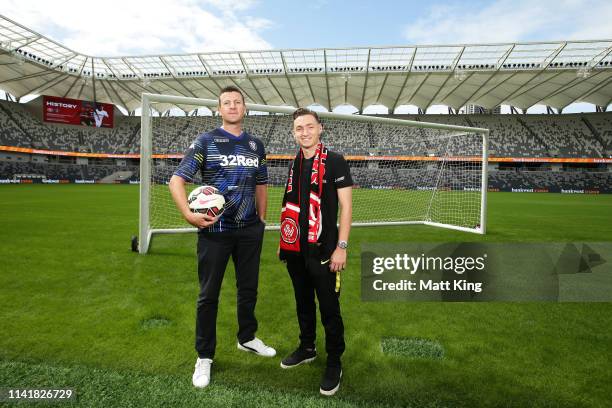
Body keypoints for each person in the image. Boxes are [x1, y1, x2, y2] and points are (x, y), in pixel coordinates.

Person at [169, 86, 275, 389]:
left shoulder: (256, 145)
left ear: (245, 108)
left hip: (249, 231)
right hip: (215, 232)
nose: (232, 106)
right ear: (220, 109)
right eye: (226, 102)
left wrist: (262, 219)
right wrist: (189, 216)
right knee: (208, 296)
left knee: (249, 289)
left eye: (237, 102)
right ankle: (204, 356)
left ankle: (247, 338)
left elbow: (262, 183)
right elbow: (176, 181)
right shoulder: (206, 141)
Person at [278, 107, 353, 396]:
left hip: (325, 250)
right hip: (296, 249)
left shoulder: (335, 162)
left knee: (330, 309)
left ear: (320, 128)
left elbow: (346, 207)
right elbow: (289, 204)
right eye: (299, 128)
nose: (304, 132)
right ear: (293, 133)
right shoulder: (294, 163)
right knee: (303, 302)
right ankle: (307, 347)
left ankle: (334, 361)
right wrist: (283, 241)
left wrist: (341, 247)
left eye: (309, 126)